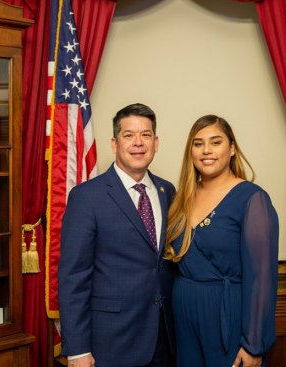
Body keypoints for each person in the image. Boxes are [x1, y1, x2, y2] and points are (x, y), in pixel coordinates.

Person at [58, 103, 176, 367]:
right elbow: (73, 277)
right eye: (128, 135)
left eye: (145, 135)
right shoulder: (87, 197)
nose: (138, 143)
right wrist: (77, 349)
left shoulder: (167, 191)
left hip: (164, 339)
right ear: (114, 143)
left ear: (156, 143)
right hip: (112, 342)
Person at [164, 115, 279, 367]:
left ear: (232, 149)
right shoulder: (181, 198)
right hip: (184, 316)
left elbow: (262, 277)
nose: (206, 150)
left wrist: (253, 344)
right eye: (198, 143)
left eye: (216, 142)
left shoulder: (252, 199)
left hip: (227, 315)